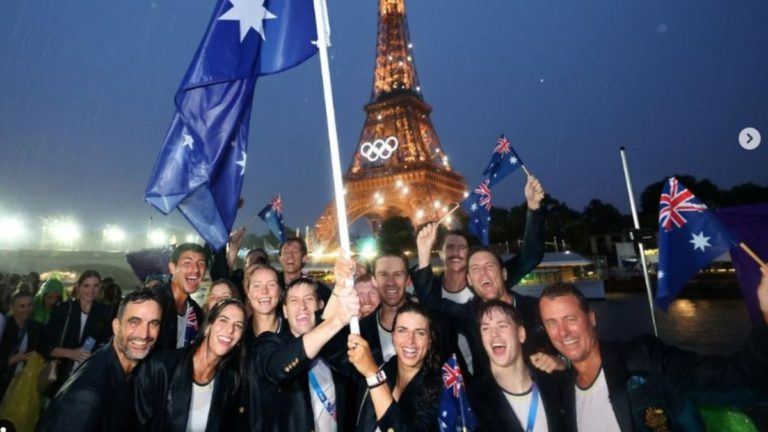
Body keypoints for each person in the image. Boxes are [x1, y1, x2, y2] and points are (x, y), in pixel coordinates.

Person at [538, 274, 768, 432]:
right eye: (552, 323)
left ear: (591, 318)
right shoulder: (563, 392)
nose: (563, 332)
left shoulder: (643, 358)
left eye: (570, 319)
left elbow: (732, 380)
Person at [412, 175, 549, 377]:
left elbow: (530, 255)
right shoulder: (469, 313)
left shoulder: (535, 307)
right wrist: (423, 252)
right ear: (470, 280)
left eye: (489, 266)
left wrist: (533, 207)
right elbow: (431, 303)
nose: (483, 272)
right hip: (489, 399)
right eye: (475, 269)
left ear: (503, 273)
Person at [37, 289, 163, 432]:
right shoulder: (88, 394)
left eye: (154, 324)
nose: (144, 334)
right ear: (116, 326)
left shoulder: (128, 371)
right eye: (134, 322)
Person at [255, 270, 360, 432]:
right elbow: (279, 368)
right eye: (294, 301)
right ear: (285, 311)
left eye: (309, 299)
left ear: (320, 305)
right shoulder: (270, 344)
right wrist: (338, 319)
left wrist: (339, 286)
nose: (302, 307)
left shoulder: (337, 348)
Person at [134, 298, 246, 432]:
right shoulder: (160, 367)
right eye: (223, 320)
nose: (230, 330)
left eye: (238, 325)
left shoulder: (230, 382)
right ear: (208, 326)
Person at [467, 300, 564, 431]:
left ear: (521, 334)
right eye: (485, 328)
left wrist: (564, 363)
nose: (493, 334)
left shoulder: (552, 382)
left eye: (501, 326)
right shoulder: (472, 400)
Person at [348, 301, 443, 432]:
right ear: (393, 336)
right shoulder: (381, 367)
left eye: (420, 332)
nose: (410, 341)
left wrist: (373, 377)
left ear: (430, 340)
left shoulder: (441, 389)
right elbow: (330, 349)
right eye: (402, 330)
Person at [44, 270, 113, 397]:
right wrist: (71, 353)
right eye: (86, 285)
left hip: (88, 378)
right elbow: (44, 345)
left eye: (95, 286)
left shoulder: (105, 312)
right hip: (61, 374)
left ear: (100, 288)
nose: (91, 291)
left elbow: (107, 345)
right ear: (79, 286)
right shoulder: (63, 309)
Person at [152, 243, 208, 350]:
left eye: (200, 264)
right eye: (187, 263)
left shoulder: (196, 312)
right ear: (172, 268)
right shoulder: (154, 302)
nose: (195, 269)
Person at [0, 290, 45, 400]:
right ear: (12, 306)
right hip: (3, 382)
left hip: (22, 384)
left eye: (30, 305)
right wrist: (11, 361)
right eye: (22, 306)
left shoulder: (37, 327)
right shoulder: (3, 326)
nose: (27, 309)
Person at [279, 237, 332, 303]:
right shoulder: (273, 285)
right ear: (280, 259)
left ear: (304, 258)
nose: (290, 255)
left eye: (295, 252)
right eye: (286, 252)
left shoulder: (317, 288)